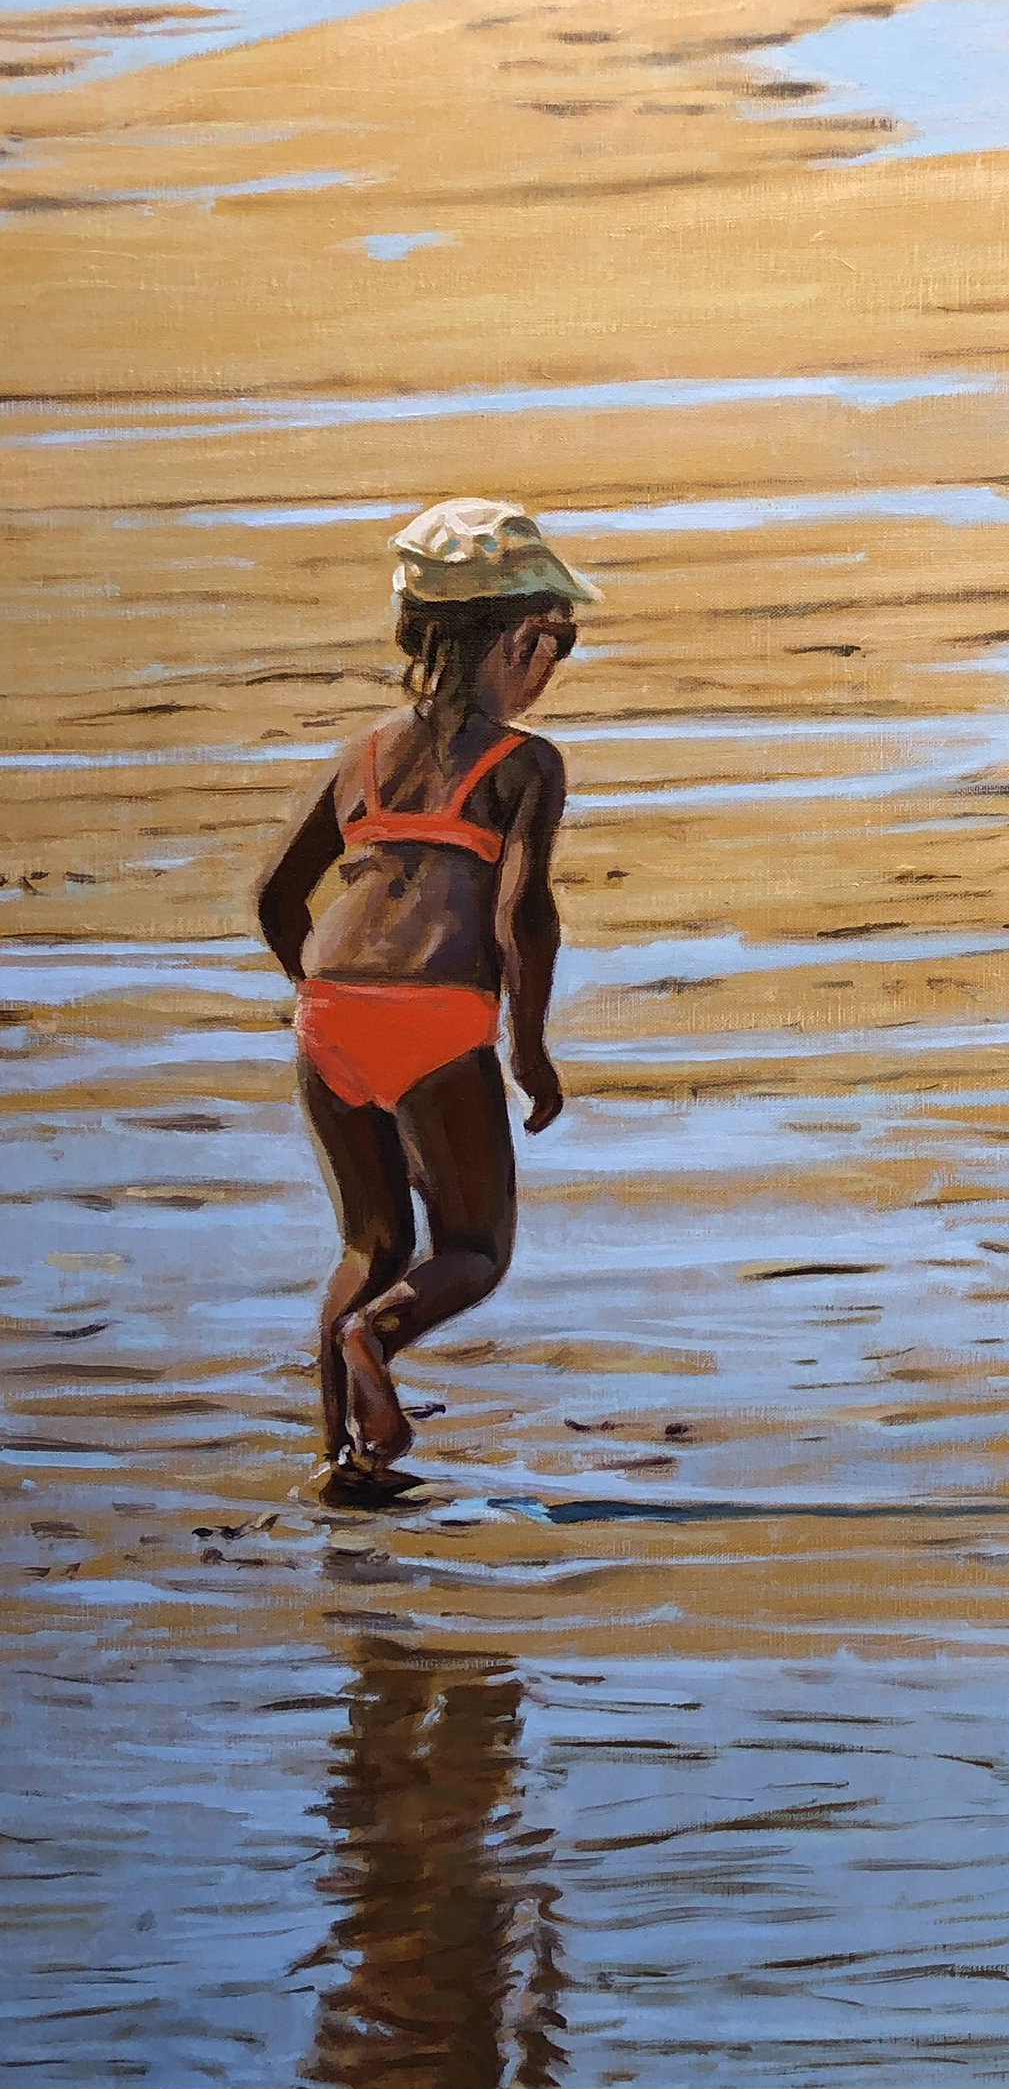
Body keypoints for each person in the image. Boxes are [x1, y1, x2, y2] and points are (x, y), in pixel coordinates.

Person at [256, 499, 595, 1486]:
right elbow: (523, 916)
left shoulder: (365, 756)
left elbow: (277, 897)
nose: (556, 661)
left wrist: (321, 994)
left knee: (369, 1243)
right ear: (521, 637)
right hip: (438, 1020)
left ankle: (344, 1460)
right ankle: (376, 1342)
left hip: (332, 1016)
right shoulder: (523, 764)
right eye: (560, 639)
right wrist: (529, 1050)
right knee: (475, 1247)